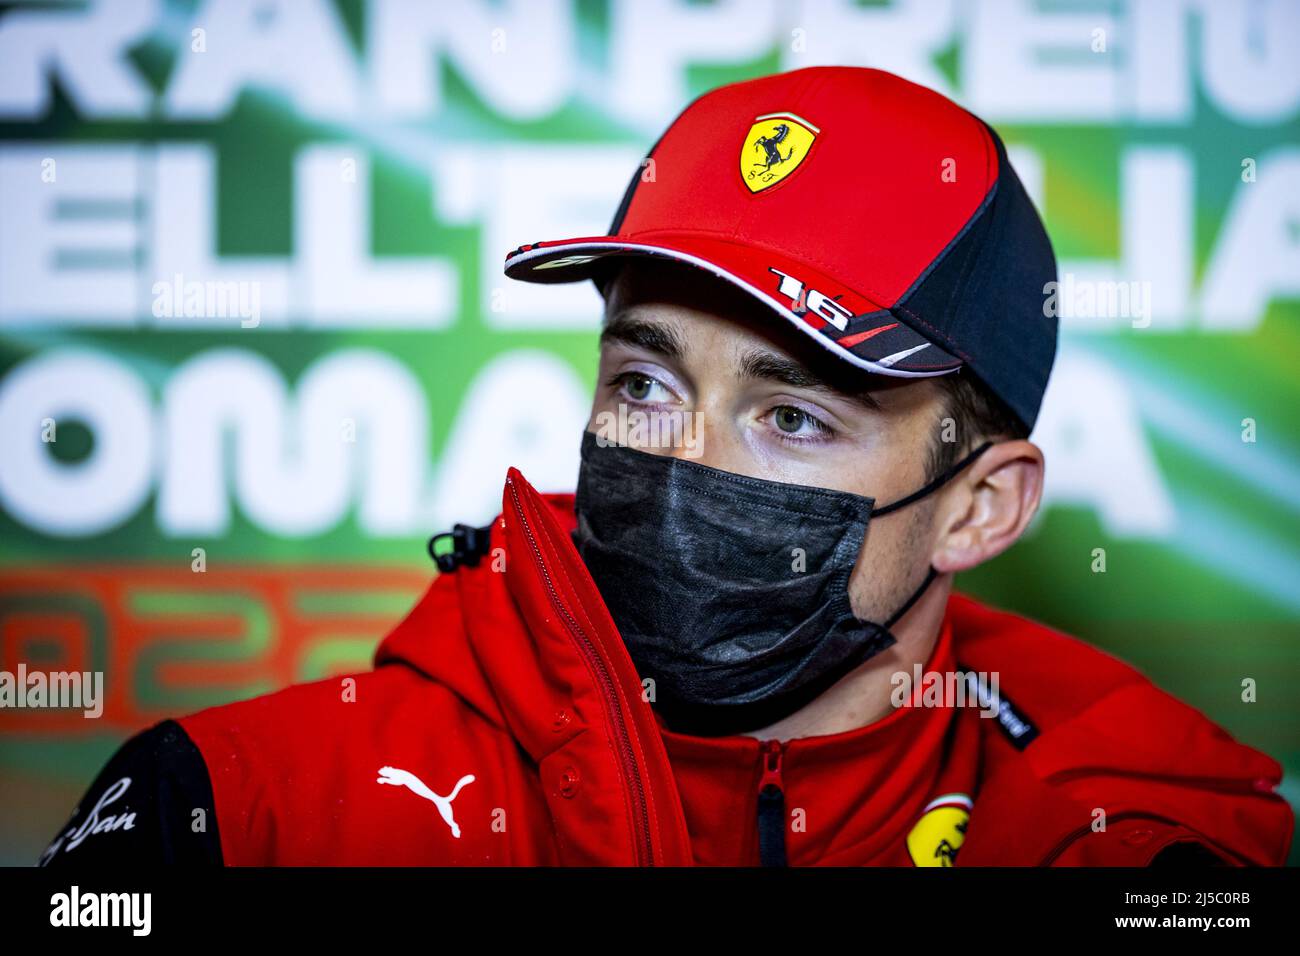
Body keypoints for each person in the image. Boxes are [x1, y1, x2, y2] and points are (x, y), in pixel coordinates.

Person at [40, 67, 1291, 867]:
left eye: (792, 414)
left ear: (978, 505)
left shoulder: (1137, 844)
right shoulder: (238, 810)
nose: (678, 460)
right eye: (642, 384)